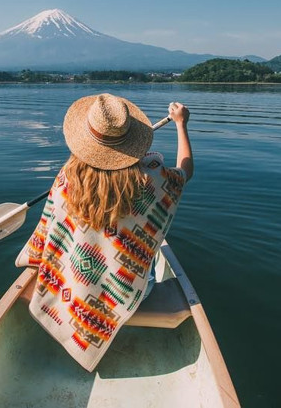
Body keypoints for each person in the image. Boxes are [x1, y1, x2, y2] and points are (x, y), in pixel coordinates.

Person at [15, 93, 192, 371]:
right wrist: (181, 125)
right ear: (132, 140)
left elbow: (50, 230)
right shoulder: (152, 179)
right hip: (126, 292)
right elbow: (185, 172)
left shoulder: (67, 176)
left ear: (86, 139)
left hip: (69, 284)